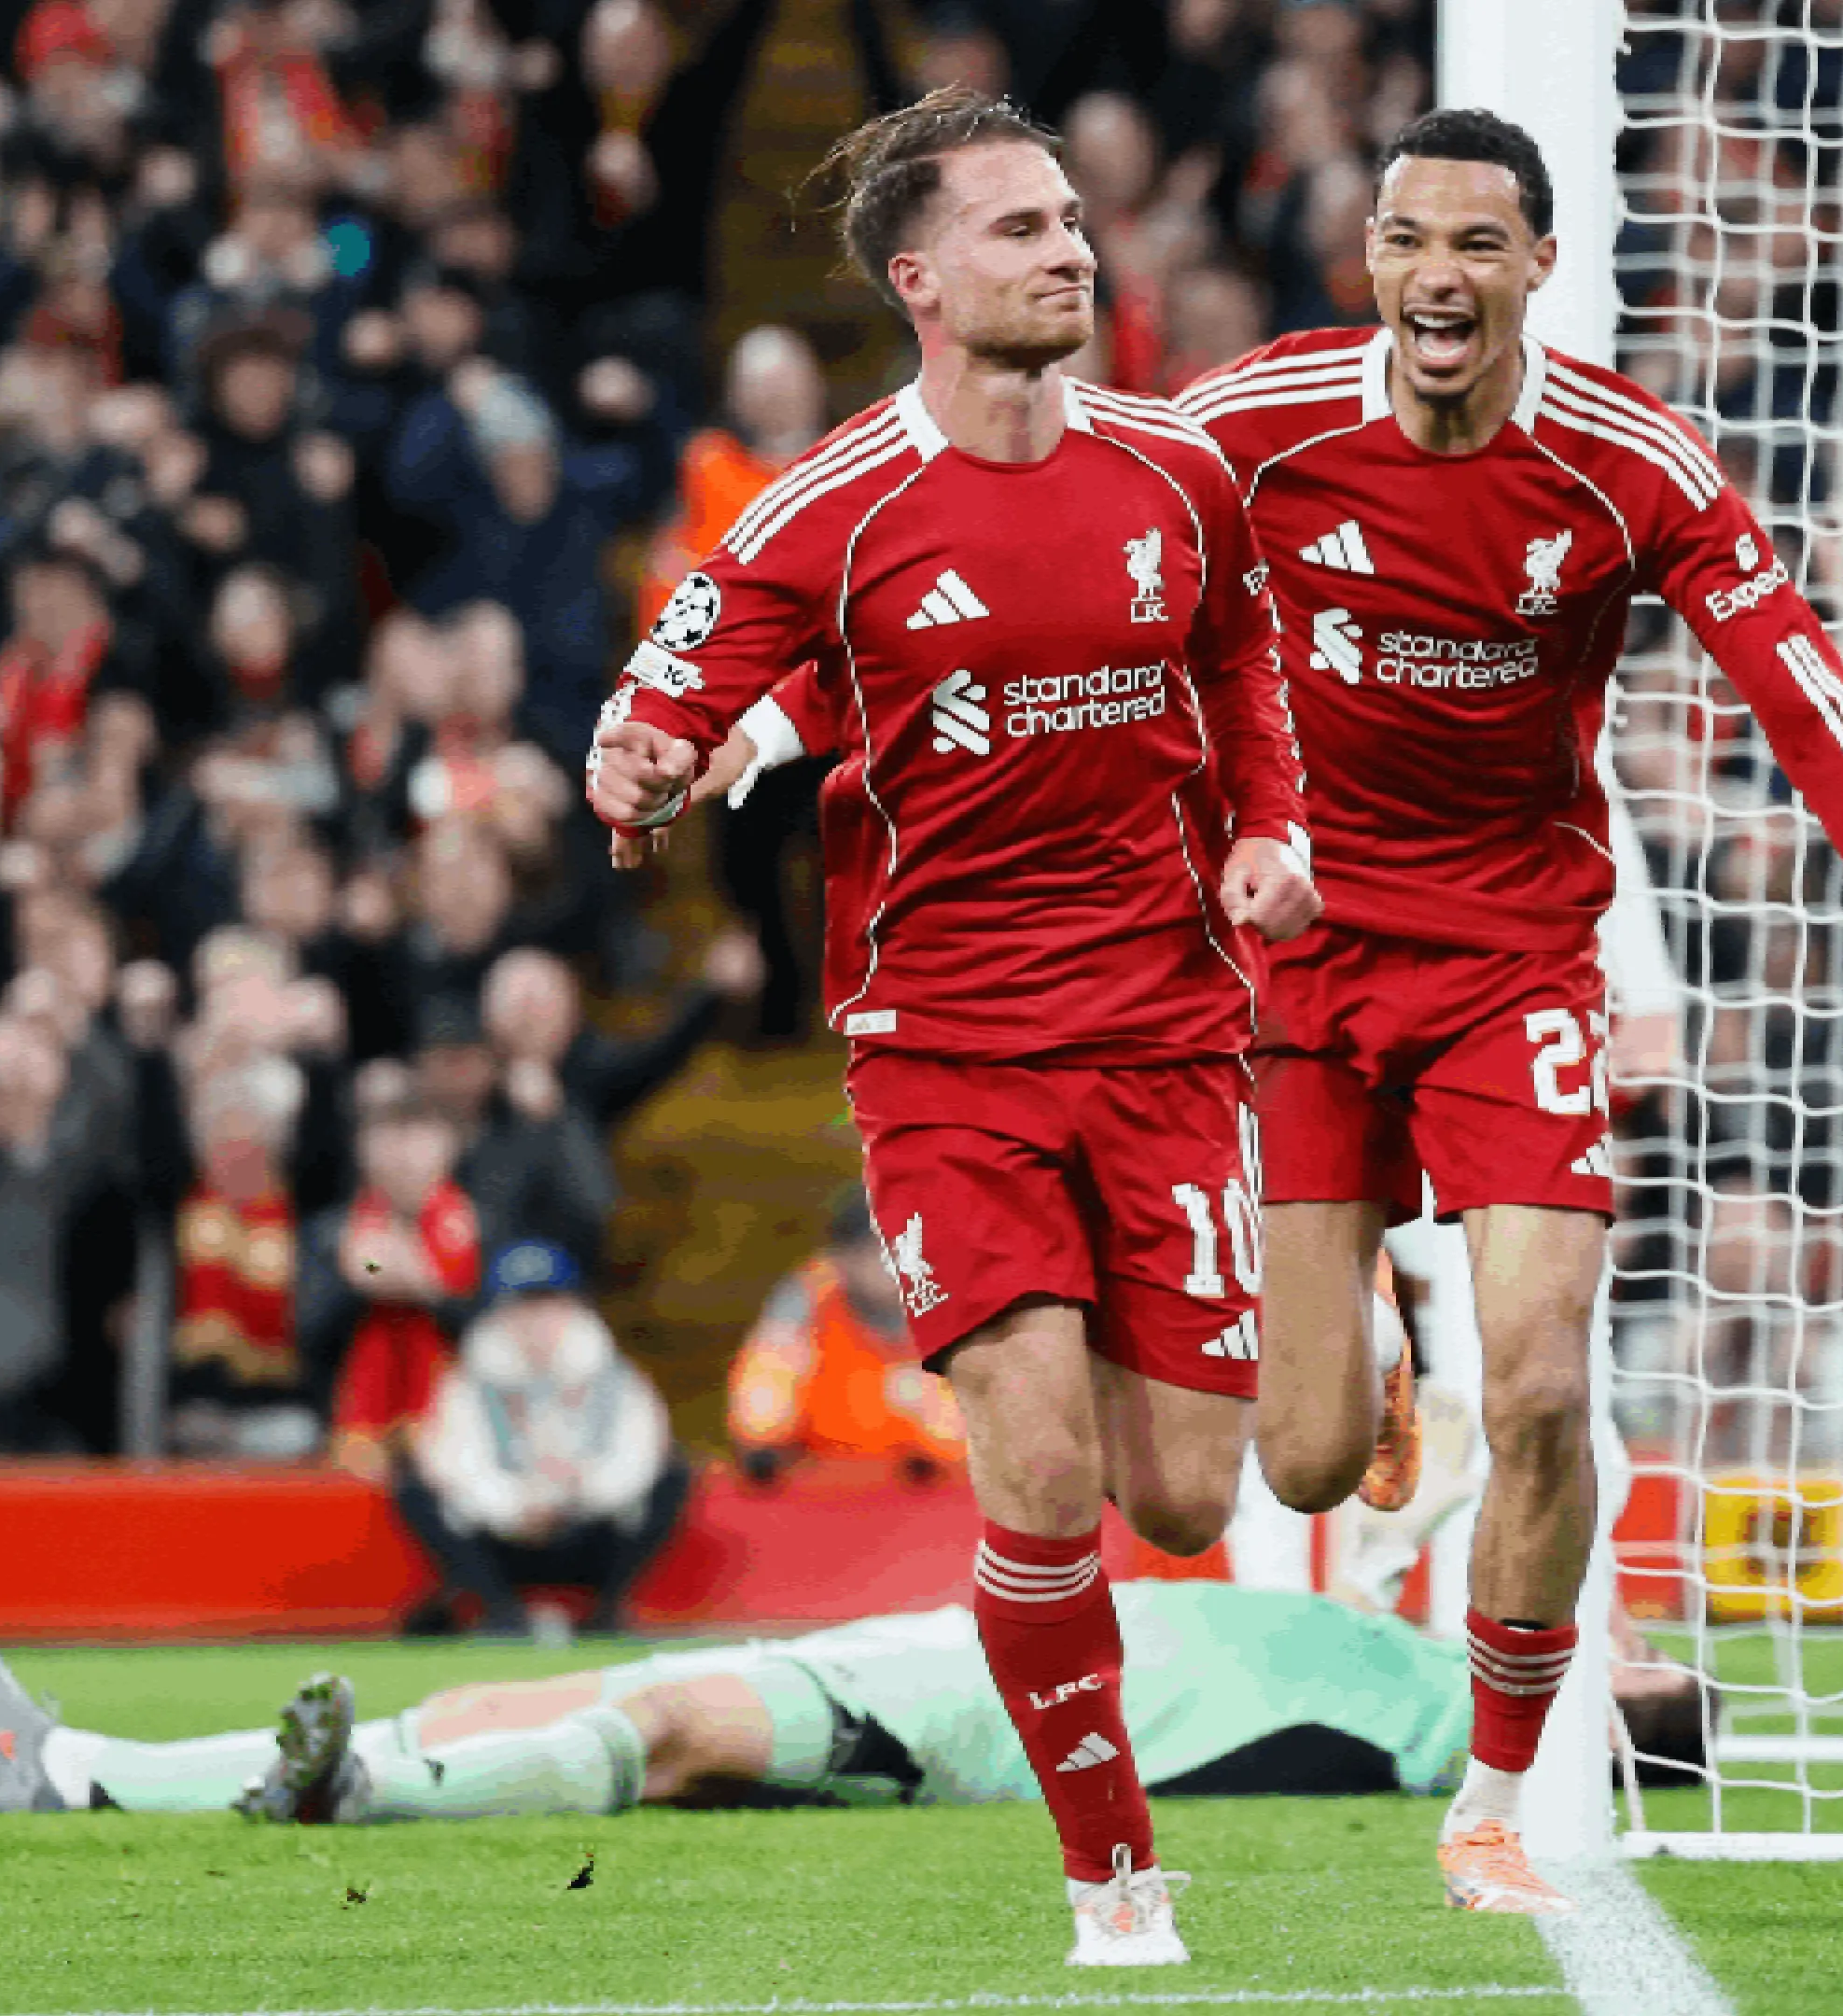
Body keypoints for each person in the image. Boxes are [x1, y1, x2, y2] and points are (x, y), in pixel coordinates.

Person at [1154, 108, 1843, 1915]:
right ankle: (1363, 1323)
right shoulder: (1256, 419)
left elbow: (1814, 708)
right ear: (1369, 257)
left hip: (1517, 958)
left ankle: (1497, 1797)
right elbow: (1072, 528)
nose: (1438, 276)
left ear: (1539, 264)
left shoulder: (1626, 459)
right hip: (1302, 958)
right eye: (1406, 240)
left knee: (1538, 1389)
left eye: (1476, 245)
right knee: (1287, 1462)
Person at [580, 88, 1319, 1967]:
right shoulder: (829, 506)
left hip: (1166, 1033)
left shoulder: (1180, 473)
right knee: (1045, 1476)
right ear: (919, 280)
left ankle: (1351, 1299)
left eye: (1070, 220)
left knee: (1188, 1492)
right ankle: (1115, 1880)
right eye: (1018, 228)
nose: (1066, 248)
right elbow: (674, 693)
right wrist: (645, 757)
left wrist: (1270, 829)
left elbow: (1239, 656)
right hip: (948, 1050)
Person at [0, 1587, 1710, 1823]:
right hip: (943, 1647)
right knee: (502, 1690)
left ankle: (363, 1801)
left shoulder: (1445, 1729)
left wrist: (1610, 1726)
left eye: (1642, 1655)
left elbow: (1253, 1763)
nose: (1623, 1622)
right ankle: (79, 1768)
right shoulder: (1426, 1646)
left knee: (674, 1735)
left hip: (970, 1720)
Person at [394, 1240, 687, 1638]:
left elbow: (637, 1459)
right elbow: (452, 1462)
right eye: (523, 1306)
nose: (536, 1321)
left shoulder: (614, 1375)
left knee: (673, 1475)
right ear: (501, 1313)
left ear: (573, 1307)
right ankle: (500, 1612)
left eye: (548, 1304)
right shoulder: (470, 1379)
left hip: (589, 1529)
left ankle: (608, 1612)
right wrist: (517, 1507)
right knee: (413, 1486)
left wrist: (577, 1493)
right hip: (504, 1535)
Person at [728, 1183, 962, 1481]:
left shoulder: (944, 1305)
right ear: (843, 1257)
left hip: (919, 1482)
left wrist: (940, 1453)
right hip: (817, 1475)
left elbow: (962, 1412)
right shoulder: (808, 1300)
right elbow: (768, 1375)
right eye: (877, 1254)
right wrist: (763, 1446)